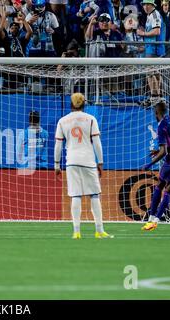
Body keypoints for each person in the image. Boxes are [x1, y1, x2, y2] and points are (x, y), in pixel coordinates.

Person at [54, 93, 113, 239]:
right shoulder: (91, 119)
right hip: (88, 161)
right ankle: (99, 231)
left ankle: (76, 232)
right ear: (83, 104)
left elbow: (58, 144)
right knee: (94, 195)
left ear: (71, 104)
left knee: (76, 195)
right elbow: (97, 143)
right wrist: (100, 162)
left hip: (72, 161)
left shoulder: (63, 120)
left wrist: (56, 164)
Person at [141, 100, 170, 231]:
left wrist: (149, 164)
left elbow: (163, 151)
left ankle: (150, 217)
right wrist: (163, 150)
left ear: (157, 112)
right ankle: (155, 221)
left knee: (160, 185)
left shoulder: (161, 125)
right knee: (169, 190)